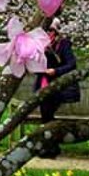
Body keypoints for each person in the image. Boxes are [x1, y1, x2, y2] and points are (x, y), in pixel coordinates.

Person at [35, 31, 80, 159]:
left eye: (50, 31)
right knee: (46, 116)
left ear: (55, 33)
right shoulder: (39, 44)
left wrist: (56, 71)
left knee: (47, 115)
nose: (47, 34)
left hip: (59, 87)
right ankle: (50, 146)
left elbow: (71, 64)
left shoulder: (63, 45)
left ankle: (50, 147)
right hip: (44, 85)